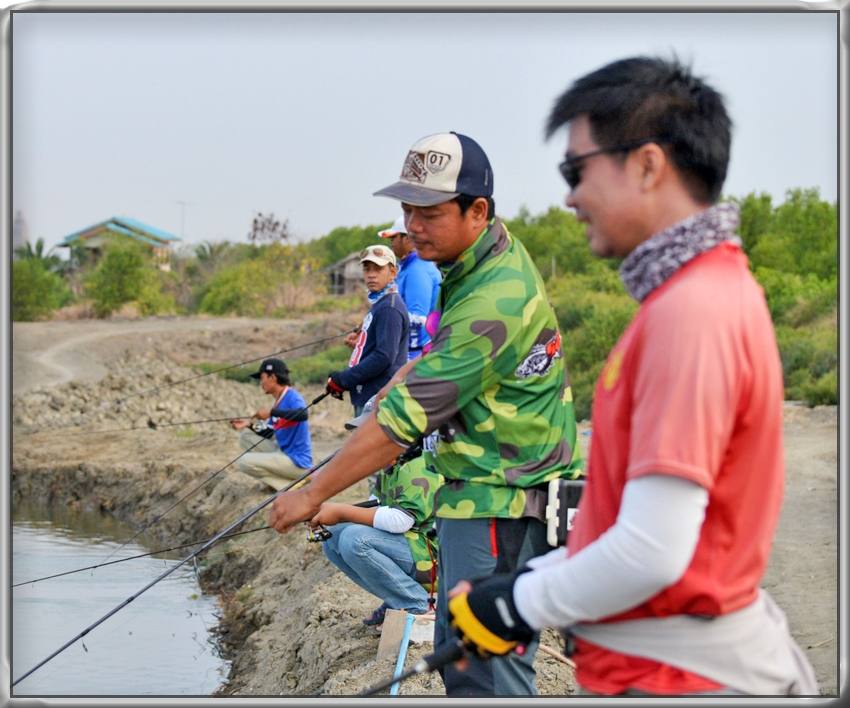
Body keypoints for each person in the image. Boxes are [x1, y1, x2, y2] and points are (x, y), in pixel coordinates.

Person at [446, 56, 818, 697]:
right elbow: (637, 529)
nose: (568, 196)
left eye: (576, 169)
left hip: (677, 681)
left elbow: (652, 550)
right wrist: (512, 591)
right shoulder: (700, 294)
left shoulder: (691, 312)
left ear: (647, 165)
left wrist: (515, 606)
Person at [269, 131, 583, 697]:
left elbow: (398, 430)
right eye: (407, 209)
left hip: (501, 507)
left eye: (429, 212)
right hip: (478, 497)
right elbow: (435, 361)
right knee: (462, 663)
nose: (413, 224)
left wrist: (311, 495)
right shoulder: (476, 264)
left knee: (488, 676)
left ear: (477, 210)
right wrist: (398, 381)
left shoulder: (495, 297)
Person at [311, 399, 442, 628]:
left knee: (357, 540)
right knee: (333, 536)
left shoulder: (417, 465)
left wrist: (340, 510)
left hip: (435, 560)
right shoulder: (390, 465)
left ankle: (418, 605)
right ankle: (396, 599)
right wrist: (326, 511)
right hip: (413, 551)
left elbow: (400, 520)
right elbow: (375, 505)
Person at [327, 244, 409, 416]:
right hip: (369, 395)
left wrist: (344, 379)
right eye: (367, 269)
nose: (371, 274)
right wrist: (362, 343)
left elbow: (384, 356)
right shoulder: (382, 303)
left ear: (393, 272)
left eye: (378, 268)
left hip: (377, 399)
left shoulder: (389, 308)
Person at [230, 358, 313, 491]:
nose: (261, 383)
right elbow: (270, 433)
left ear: (273, 377)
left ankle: (286, 486)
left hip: (297, 462)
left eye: (262, 378)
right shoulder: (279, 401)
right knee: (246, 436)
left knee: (243, 461)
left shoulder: (292, 396)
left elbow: (303, 415)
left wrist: (272, 412)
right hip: (283, 454)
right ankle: (287, 482)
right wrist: (248, 424)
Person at [378, 215, 442, 360]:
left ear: (407, 238)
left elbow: (417, 320)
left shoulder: (417, 270)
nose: (391, 243)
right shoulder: (407, 267)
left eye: (393, 238)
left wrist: (408, 361)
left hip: (416, 357)